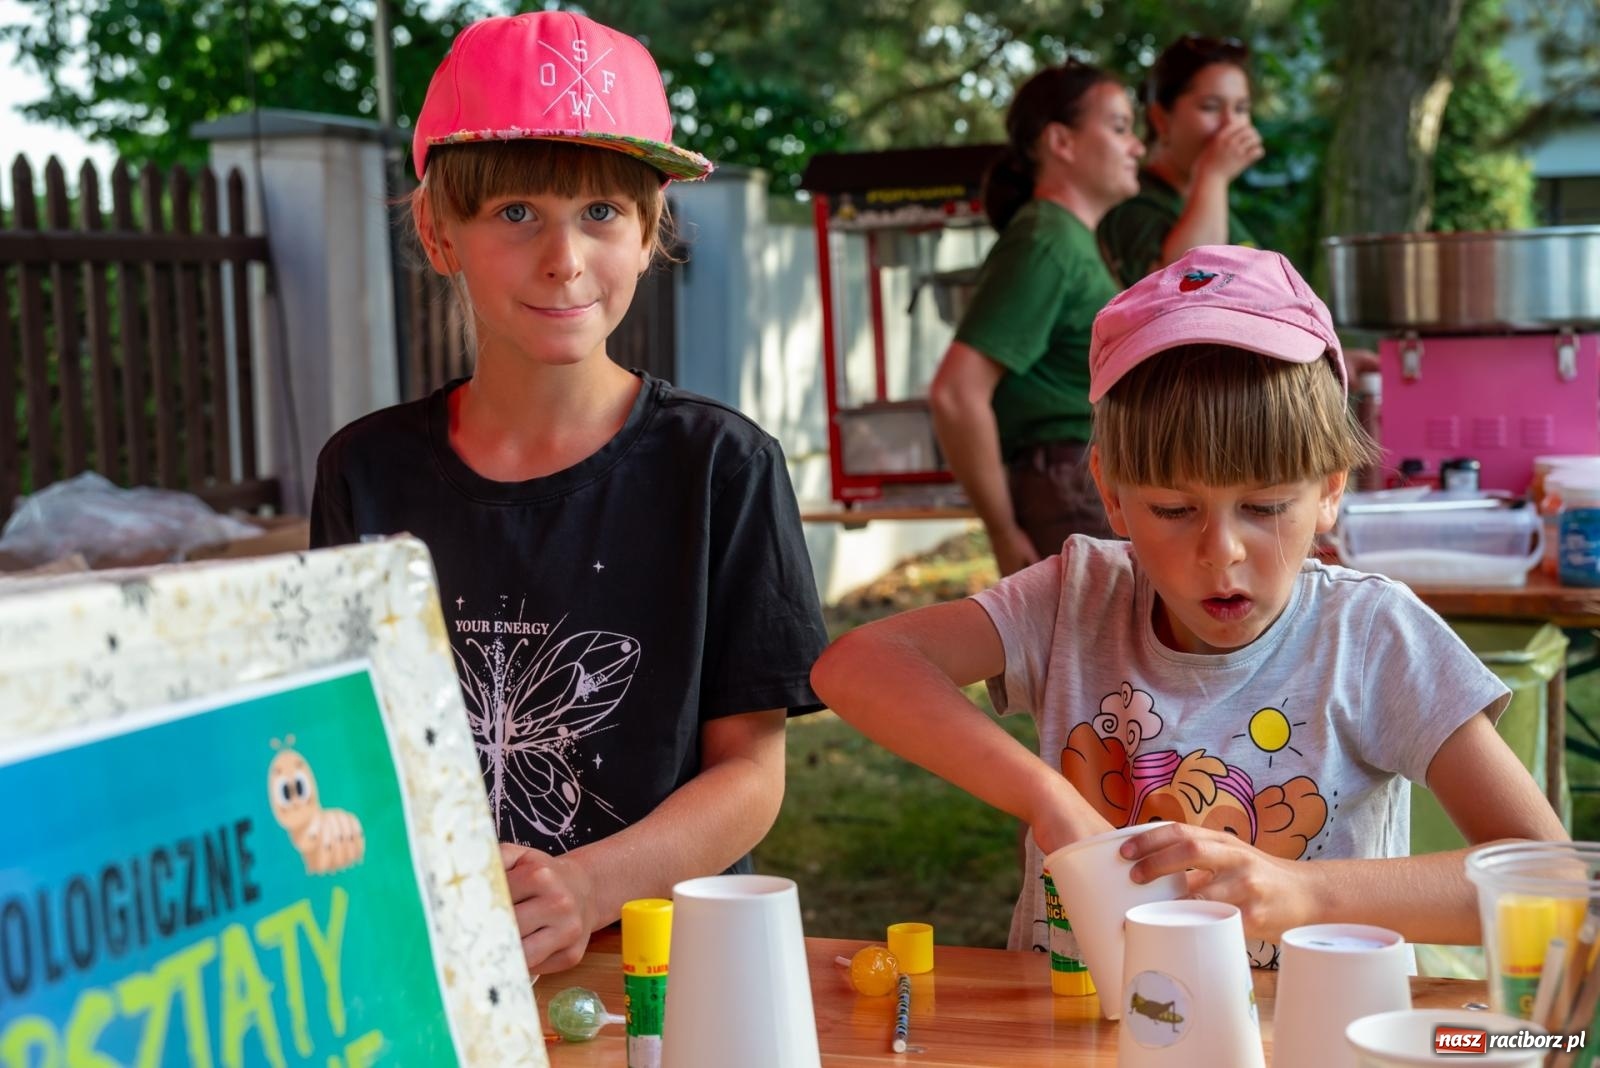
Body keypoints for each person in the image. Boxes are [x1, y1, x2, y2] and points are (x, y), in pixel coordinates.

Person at [813, 245, 1565, 965]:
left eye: (1266, 506)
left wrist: (1303, 891)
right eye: (1173, 510)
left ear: (1331, 489)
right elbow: (857, 665)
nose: (1222, 551)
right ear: (1110, 493)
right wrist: (1049, 800)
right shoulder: (1074, 599)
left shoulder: (1370, 636)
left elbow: (1549, 881)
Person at [310, 11, 828, 975]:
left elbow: (751, 778)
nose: (565, 259)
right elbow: (352, 747)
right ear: (438, 231)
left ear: (649, 234)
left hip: (669, 968)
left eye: (601, 214)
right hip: (438, 961)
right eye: (516, 214)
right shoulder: (363, 472)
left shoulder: (723, 467)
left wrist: (588, 887)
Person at [928, 62, 1145, 578]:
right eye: (1119, 127)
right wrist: (1003, 531)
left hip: (1092, 484)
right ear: (1060, 142)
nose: (1136, 146)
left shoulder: (1069, 239)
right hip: (1073, 490)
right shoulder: (1046, 239)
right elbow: (957, 394)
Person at [1098, 34, 1262, 288]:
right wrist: (1214, 176)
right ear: (1160, 119)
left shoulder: (1206, 199)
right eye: (1210, 107)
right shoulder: (1133, 202)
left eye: (1241, 109)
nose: (1231, 124)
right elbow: (1180, 292)